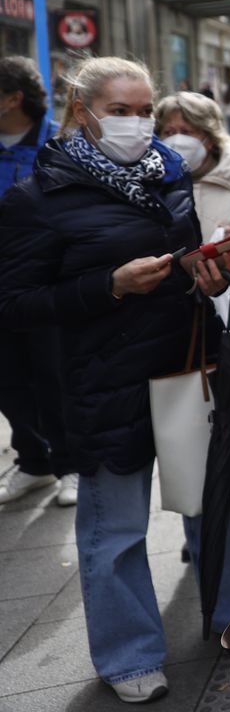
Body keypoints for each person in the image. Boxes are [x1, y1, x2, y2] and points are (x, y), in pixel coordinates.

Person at [0, 57, 230, 704]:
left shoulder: (170, 175)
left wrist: (209, 275)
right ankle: (128, 654)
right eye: (121, 111)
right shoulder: (37, 197)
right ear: (82, 112)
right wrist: (106, 286)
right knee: (114, 528)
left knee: (216, 503)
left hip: (181, 364)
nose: (138, 123)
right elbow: (17, 301)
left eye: (144, 110)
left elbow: (187, 259)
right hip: (99, 380)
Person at [155, 90, 230, 531]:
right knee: (193, 416)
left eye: (189, 131)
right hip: (175, 318)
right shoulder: (154, 182)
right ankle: (207, 508)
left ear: (210, 134)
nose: (178, 139)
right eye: (168, 131)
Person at [0, 56, 76, 507]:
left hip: (46, 283)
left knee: (53, 375)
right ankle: (34, 461)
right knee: (7, 379)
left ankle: (71, 463)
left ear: (13, 98)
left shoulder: (58, 142)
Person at [154, 91, 230, 246]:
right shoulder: (148, 185)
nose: (177, 141)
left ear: (210, 139)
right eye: (169, 132)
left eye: (186, 132)